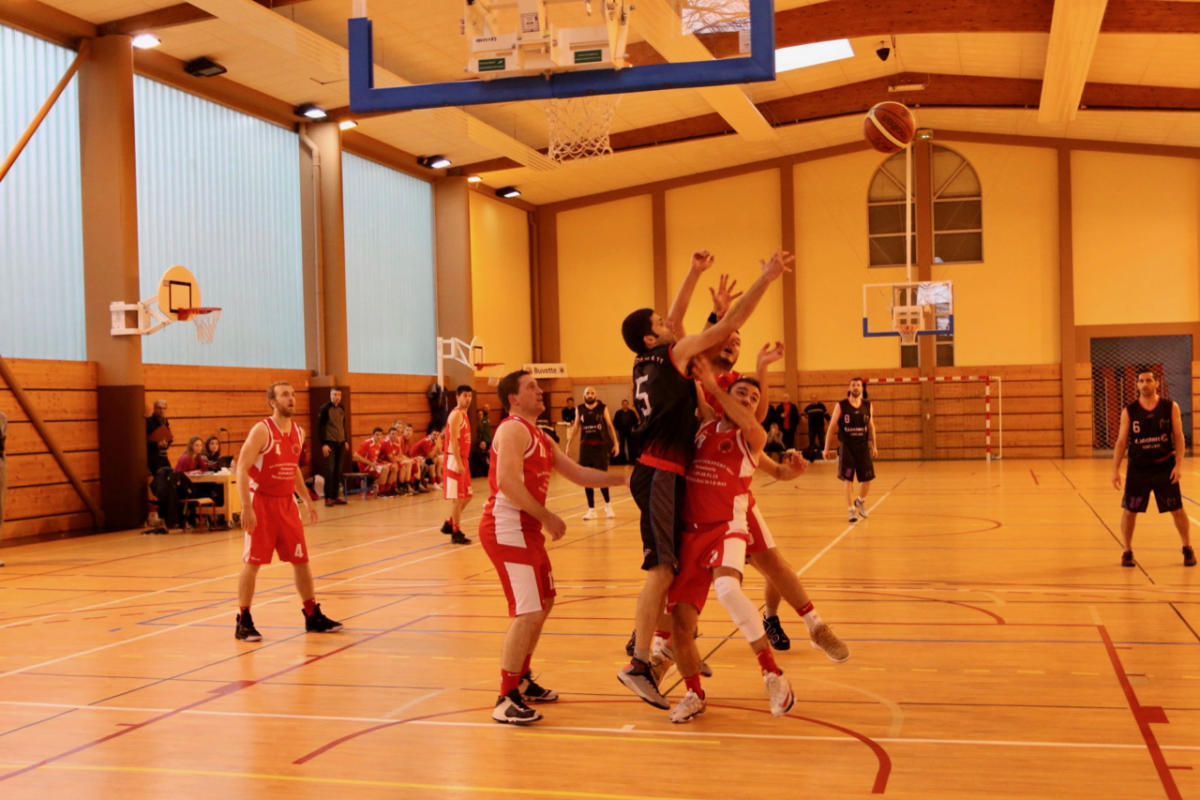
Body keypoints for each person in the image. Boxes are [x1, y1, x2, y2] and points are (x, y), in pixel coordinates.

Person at [617, 247, 792, 709]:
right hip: (660, 471)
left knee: (674, 569)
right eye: (660, 322)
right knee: (661, 570)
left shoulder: (647, 360)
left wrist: (694, 273)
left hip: (667, 474)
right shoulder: (677, 357)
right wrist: (767, 278)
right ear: (652, 337)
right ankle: (640, 659)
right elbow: (729, 323)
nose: (669, 321)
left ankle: (669, 644)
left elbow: (676, 322)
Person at [481, 370, 627, 725]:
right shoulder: (512, 429)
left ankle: (522, 678)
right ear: (514, 398)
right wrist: (546, 516)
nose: (540, 391)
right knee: (528, 611)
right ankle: (505, 697)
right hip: (507, 527)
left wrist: (626, 478)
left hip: (526, 529)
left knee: (544, 603)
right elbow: (506, 482)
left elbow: (578, 473)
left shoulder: (541, 436)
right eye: (531, 387)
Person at [665, 360, 794, 723]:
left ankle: (772, 674)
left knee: (727, 589)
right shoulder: (706, 425)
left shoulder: (753, 438)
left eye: (754, 397)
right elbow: (695, 381)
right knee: (681, 624)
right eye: (742, 393)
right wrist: (695, 365)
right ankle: (694, 694)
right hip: (691, 532)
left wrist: (717, 386)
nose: (748, 400)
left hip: (727, 526)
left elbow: (749, 424)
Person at [233, 381, 342, 641]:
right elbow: (241, 468)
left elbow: (293, 469)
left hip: (286, 503)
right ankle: (243, 619)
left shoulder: (298, 432)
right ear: (272, 402)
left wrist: (307, 500)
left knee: (301, 560)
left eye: (293, 394)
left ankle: (312, 614)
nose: (291, 399)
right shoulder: (262, 430)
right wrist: (246, 506)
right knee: (253, 563)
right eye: (284, 395)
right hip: (261, 502)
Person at [1111, 367, 1195, 567]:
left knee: (1177, 509)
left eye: (1149, 380)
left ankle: (1187, 547)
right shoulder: (1130, 410)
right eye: (1141, 381)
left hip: (1164, 467)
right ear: (1137, 384)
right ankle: (1127, 551)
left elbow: (1179, 437)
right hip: (1138, 469)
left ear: (1157, 383)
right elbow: (1121, 442)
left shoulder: (1170, 407)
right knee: (1130, 510)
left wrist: (1179, 465)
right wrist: (1115, 470)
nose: (1145, 384)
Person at [823, 377, 878, 523]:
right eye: (853, 385)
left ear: (862, 388)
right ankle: (851, 510)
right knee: (848, 479)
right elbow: (832, 427)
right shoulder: (841, 405)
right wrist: (826, 448)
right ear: (849, 388)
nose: (855, 387)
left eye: (858, 385)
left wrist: (874, 445)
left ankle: (859, 501)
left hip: (863, 447)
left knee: (867, 479)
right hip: (847, 448)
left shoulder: (868, 405)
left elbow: (871, 426)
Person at [565, 386, 619, 519]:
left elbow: (610, 426)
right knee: (586, 478)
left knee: (602, 478)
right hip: (585, 447)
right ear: (584, 395)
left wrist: (616, 443)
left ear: (596, 395)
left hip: (600, 447)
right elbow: (576, 427)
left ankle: (608, 505)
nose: (590, 395)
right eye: (587, 393)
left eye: (592, 393)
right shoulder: (579, 409)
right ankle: (591, 509)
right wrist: (568, 444)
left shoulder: (602, 408)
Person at [441, 385, 474, 545]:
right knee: (458, 499)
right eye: (465, 395)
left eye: (470, 396)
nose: (468, 398)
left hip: (463, 459)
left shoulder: (464, 414)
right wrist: (459, 463)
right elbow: (453, 440)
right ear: (457, 397)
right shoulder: (455, 415)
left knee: (468, 496)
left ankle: (449, 523)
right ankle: (456, 532)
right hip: (454, 460)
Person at [316, 388, 350, 507]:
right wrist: (323, 444)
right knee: (330, 470)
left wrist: (345, 440)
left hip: (341, 443)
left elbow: (342, 425)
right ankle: (328, 497)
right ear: (330, 396)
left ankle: (335, 496)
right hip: (329, 443)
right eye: (334, 394)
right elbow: (320, 427)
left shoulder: (342, 408)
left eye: (339, 394)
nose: (337, 397)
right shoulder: (325, 408)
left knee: (338, 470)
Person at [354, 427, 396, 497]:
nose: (378, 437)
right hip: (365, 467)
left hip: (373, 465)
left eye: (380, 435)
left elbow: (376, 458)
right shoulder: (367, 443)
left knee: (393, 467)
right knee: (385, 468)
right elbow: (355, 456)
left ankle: (387, 490)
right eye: (377, 435)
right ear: (373, 435)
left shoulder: (379, 444)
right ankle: (381, 492)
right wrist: (370, 463)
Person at [146, 399, 172, 473]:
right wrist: (157, 444)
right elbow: (145, 441)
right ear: (154, 409)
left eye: (164, 408)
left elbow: (169, 438)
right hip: (152, 455)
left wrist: (167, 443)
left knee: (170, 474)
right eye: (159, 408)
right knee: (160, 475)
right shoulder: (149, 422)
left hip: (163, 455)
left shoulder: (165, 421)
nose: (162, 410)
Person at [612, 399, 640, 465]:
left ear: (628, 404)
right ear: (622, 404)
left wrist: (632, 429)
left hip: (629, 432)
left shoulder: (632, 413)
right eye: (624, 404)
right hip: (621, 431)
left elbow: (636, 421)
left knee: (631, 446)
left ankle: (631, 460)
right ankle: (622, 461)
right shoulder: (618, 413)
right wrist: (618, 429)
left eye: (626, 404)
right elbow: (615, 422)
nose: (625, 405)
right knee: (621, 446)